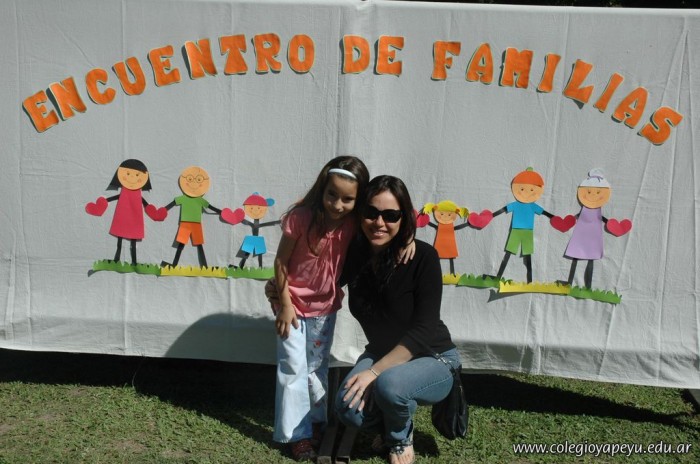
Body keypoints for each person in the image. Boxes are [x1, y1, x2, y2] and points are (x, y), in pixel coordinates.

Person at [335, 175, 460, 464]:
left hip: (433, 356)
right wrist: (281, 288)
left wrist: (374, 371)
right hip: (382, 353)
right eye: (371, 212)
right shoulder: (355, 255)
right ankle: (391, 418)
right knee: (347, 408)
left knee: (389, 386)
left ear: (403, 218)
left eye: (391, 215)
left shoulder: (423, 256)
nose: (379, 222)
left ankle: (399, 437)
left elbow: (424, 330)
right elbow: (321, 282)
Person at [272, 156, 370, 461]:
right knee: (293, 365)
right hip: (291, 305)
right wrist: (285, 303)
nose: (337, 205)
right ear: (322, 189)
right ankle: (297, 436)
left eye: (347, 199)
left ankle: (315, 424)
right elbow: (280, 261)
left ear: (358, 199)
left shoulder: (354, 225)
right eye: (332, 195)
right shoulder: (301, 218)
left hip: (325, 308)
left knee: (315, 367)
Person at [85, 159, 166, 265]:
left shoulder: (138, 194)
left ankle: (134, 262)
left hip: (135, 218)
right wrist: (103, 203)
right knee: (120, 239)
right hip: (122, 216)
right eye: (128, 174)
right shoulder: (124, 192)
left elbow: (144, 203)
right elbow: (116, 197)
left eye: (137, 175)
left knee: (133, 241)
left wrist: (154, 212)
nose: (132, 178)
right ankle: (116, 259)